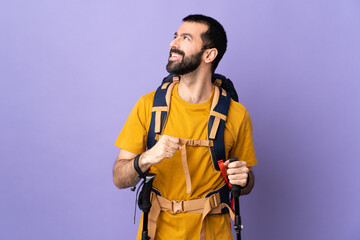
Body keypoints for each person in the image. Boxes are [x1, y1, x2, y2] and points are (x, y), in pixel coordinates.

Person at [113, 14, 257, 240]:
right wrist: (147, 158)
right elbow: (119, 179)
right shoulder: (147, 106)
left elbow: (245, 182)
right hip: (158, 233)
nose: (173, 43)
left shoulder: (237, 115)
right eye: (175, 37)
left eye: (186, 38)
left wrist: (245, 178)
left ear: (209, 54)